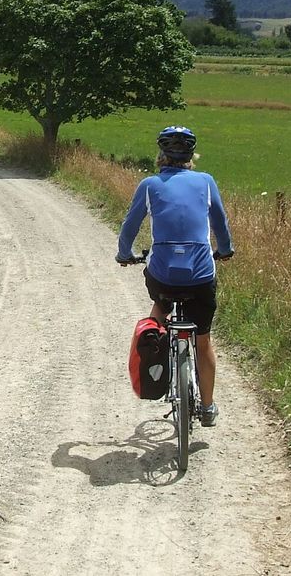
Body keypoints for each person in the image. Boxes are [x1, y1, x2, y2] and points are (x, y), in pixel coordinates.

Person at [116, 126, 234, 427]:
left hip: (163, 274)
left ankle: (155, 338)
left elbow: (131, 224)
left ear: (162, 155)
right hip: (201, 274)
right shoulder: (206, 182)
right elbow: (219, 223)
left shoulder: (149, 184)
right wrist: (225, 250)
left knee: (160, 303)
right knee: (204, 340)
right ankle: (207, 407)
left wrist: (124, 254)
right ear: (191, 156)